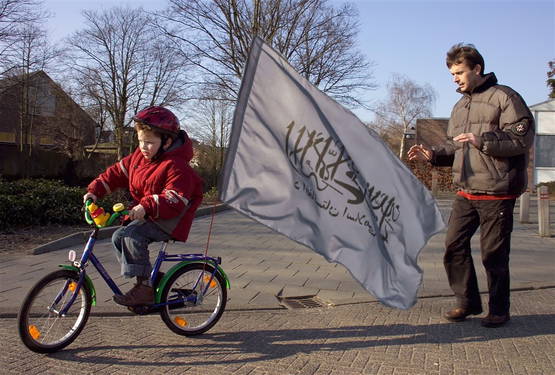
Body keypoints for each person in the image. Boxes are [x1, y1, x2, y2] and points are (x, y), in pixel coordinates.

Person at [408, 43, 535, 328]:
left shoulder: (506, 98)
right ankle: (467, 302)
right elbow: (456, 145)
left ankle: (499, 310)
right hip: (465, 190)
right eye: (452, 74)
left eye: (459, 72)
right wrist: (433, 154)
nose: (455, 78)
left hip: (497, 191)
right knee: (453, 247)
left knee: (493, 254)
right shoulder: (460, 105)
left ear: (477, 69)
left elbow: (521, 139)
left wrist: (485, 141)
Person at [83, 106, 203, 307]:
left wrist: (146, 206)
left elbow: (174, 198)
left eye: (149, 143)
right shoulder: (139, 158)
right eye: (140, 141)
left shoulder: (177, 166)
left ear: (167, 142)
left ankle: (145, 290)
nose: (143, 147)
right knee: (118, 236)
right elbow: (116, 174)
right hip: (151, 213)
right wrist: (94, 191)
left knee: (132, 235)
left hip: (172, 218)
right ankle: (150, 281)